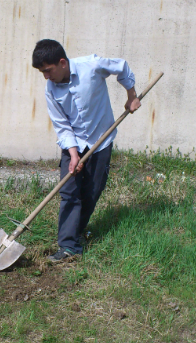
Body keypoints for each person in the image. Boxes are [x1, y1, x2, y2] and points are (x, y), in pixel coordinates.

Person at [32, 39, 141, 261]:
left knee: (92, 191)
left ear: (62, 62)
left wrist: (131, 95)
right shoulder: (51, 90)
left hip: (102, 139)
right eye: (42, 72)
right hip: (74, 142)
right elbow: (62, 126)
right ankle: (68, 245)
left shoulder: (91, 65)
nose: (46, 76)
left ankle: (77, 231)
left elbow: (121, 66)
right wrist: (73, 155)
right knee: (70, 191)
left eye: (48, 70)